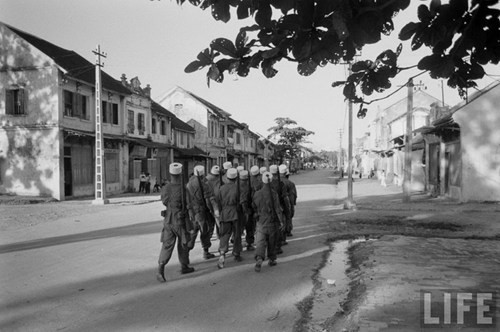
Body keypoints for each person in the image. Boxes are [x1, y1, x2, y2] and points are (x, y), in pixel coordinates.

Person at [156, 162, 195, 283]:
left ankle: (160, 269)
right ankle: (184, 266)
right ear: (180, 174)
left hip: (168, 220)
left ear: (170, 173)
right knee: (183, 243)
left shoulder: (166, 188)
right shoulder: (184, 189)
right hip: (180, 220)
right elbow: (189, 205)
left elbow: (164, 201)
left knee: (167, 244)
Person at [186, 165, 220, 260]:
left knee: (193, 232)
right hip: (201, 211)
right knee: (204, 231)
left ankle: (186, 253)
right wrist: (213, 210)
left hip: (193, 212)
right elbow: (209, 199)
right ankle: (206, 252)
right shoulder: (204, 184)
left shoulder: (189, 184)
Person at [253, 171, 284, 272]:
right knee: (272, 241)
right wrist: (281, 221)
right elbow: (277, 209)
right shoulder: (274, 194)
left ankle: (259, 258)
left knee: (260, 241)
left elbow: (254, 206)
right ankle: (271, 259)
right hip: (272, 221)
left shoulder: (257, 194)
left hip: (261, 221)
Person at [217, 168, 243, 268]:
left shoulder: (221, 188)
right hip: (235, 213)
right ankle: (236, 253)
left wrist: (221, 212)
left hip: (224, 213)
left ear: (227, 178)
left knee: (224, 234)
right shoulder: (238, 188)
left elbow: (218, 202)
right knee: (236, 235)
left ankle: (222, 253)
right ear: (236, 178)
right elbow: (241, 202)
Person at [239, 170, 255, 251]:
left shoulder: (236, 185)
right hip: (247, 210)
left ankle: (238, 245)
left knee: (238, 229)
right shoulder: (248, 186)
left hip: (238, 211)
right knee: (249, 228)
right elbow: (245, 200)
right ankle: (249, 243)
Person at [284, 168, 297, 237]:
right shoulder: (290, 184)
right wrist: (292, 204)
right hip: (287, 203)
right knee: (288, 217)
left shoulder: (273, 182)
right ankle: (287, 231)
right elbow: (293, 195)